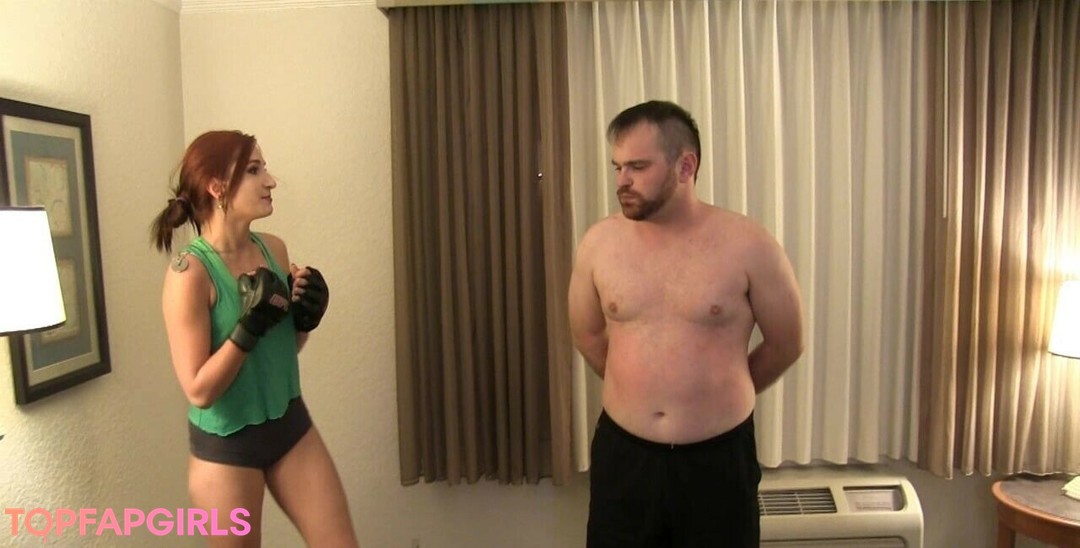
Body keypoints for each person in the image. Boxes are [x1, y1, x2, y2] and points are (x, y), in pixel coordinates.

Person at [568, 101, 804, 548]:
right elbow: (588, 334)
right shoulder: (599, 244)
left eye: (638, 166)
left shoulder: (749, 245)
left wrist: (717, 394)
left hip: (717, 463)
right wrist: (639, 389)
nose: (622, 181)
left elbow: (787, 343)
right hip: (625, 459)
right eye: (618, 167)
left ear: (685, 166)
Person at [150, 130, 359, 547]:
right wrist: (247, 329)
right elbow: (199, 390)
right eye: (253, 170)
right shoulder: (188, 274)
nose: (270, 180)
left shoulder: (274, 250)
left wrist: (305, 320)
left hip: (290, 425)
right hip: (226, 447)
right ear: (217, 187)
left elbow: (283, 350)